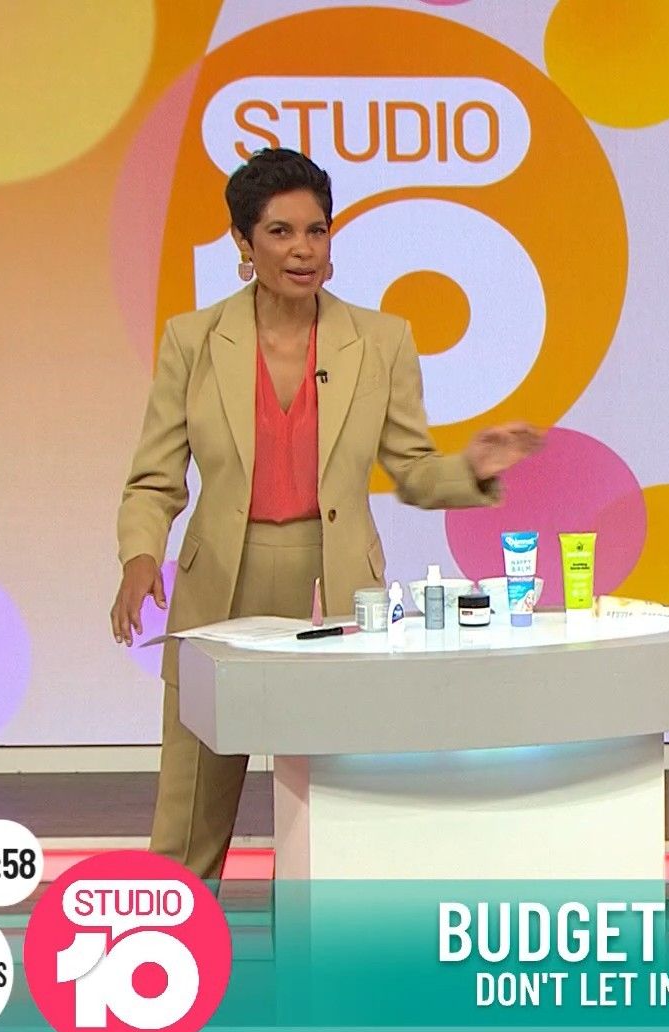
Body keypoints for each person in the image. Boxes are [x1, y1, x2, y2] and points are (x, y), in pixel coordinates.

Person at [109, 148, 542, 881]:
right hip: (222, 586)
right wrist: (139, 555)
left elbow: (411, 470)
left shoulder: (380, 340)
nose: (303, 250)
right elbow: (154, 478)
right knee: (190, 810)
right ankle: (174, 939)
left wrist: (470, 468)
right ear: (243, 244)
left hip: (335, 589)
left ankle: (333, 944)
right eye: (280, 232)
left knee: (339, 807)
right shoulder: (193, 341)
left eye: (316, 230)